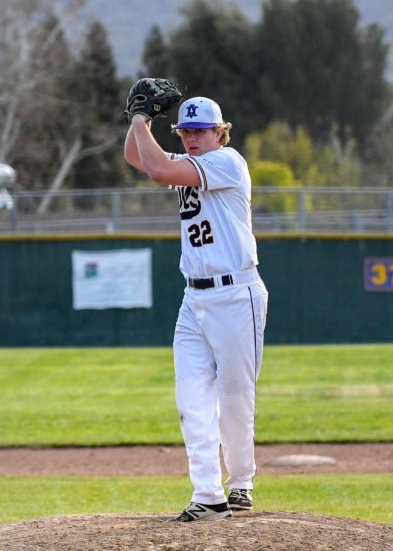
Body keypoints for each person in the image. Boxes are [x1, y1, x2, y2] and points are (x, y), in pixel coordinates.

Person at [124, 96, 269, 522]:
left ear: (219, 132)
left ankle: (241, 483)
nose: (190, 137)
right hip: (194, 298)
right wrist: (139, 120)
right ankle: (207, 494)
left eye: (199, 130)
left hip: (235, 293)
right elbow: (137, 155)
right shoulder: (190, 162)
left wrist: (138, 117)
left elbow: (156, 168)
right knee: (191, 398)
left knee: (235, 398)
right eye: (185, 131)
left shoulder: (226, 161)